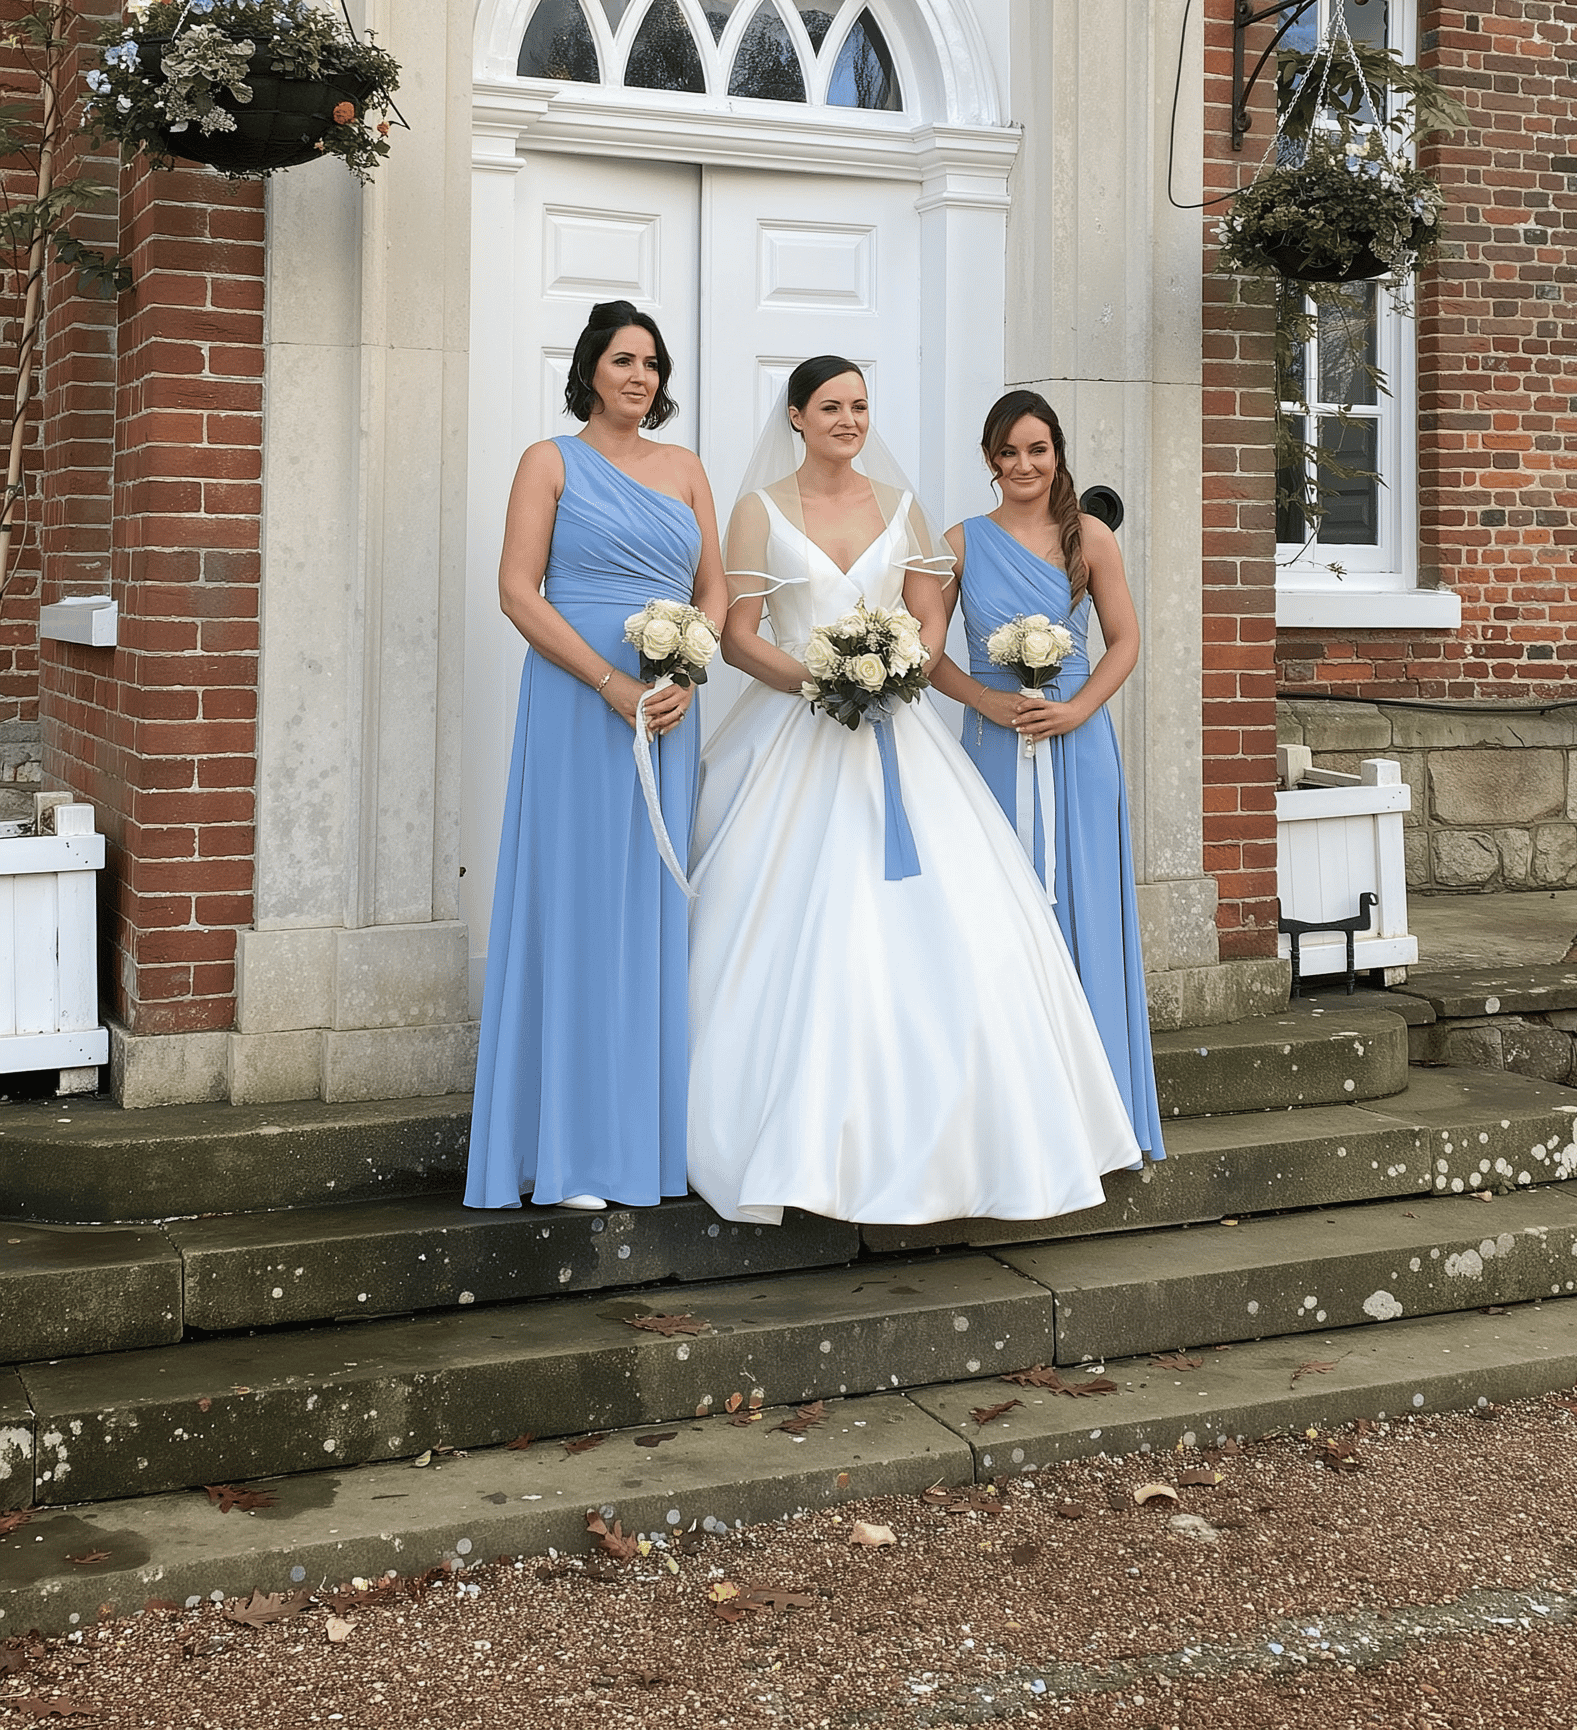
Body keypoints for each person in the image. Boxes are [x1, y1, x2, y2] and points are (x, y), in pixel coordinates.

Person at [685, 355, 1139, 1226]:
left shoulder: (902, 507)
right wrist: (820, 680)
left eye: (859, 405)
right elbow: (739, 636)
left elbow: (930, 621)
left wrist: (894, 667)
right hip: (796, 726)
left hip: (897, 726)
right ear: (796, 416)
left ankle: (970, 1140)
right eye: (830, 406)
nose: (848, 420)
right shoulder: (758, 510)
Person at [466, 299, 727, 1212]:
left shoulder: (687, 469)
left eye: (652, 364)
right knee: (577, 903)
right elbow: (517, 591)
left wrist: (686, 667)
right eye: (623, 360)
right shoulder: (549, 461)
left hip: (668, 707)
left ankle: (641, 1145)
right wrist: (610, 684)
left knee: (648, 907)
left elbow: (715, 588)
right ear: (589, 370)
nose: (640, 376)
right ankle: (568, 1152)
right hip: (579, 704)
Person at [931, 392, 1164, 1162]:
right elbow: (926, 656)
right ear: (989, 459)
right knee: (1000, 908)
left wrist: (1078, 710)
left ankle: (1099, 1117)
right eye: (1008, 452)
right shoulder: (960, 543)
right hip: (994, 745)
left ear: (1056, 452)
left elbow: (1125, 640)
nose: (1023, 465)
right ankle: (1013, 1120)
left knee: (1084, 902)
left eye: (1037, 449)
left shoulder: (1090, 536)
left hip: (1078, 743)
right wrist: (986, 701)